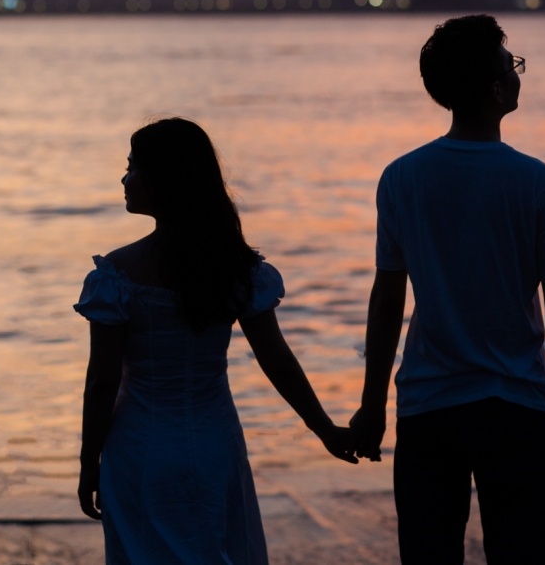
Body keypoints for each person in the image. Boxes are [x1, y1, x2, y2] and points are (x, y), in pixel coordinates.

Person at [350, 14, 545, 565]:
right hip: (518, 404)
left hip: (429, 404)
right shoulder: (537, 182)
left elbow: (388, 300)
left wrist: (371, 406)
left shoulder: (403, 177)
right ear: (497, 89)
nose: (517, 72)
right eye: (512, 64)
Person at [75, 117, 356, 564]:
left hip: (138, 448)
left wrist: (89, 462)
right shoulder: (236, 268)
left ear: (165, 179)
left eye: (133, 167)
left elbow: (101, 382)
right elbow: (277, 361)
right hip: (214, 443)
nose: (125, 178)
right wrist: (323, 429)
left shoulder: (117, 274)